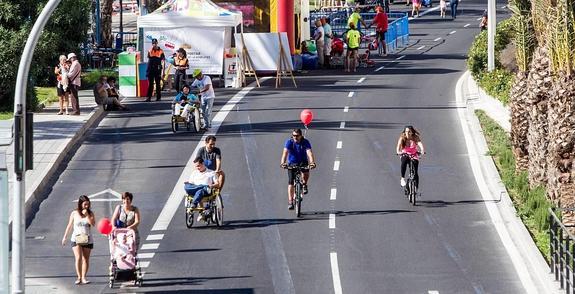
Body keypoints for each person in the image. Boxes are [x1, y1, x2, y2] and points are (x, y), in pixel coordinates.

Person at [61, 195, 95, 285]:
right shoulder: (74, 213)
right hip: (76, 238)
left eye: (88, 204)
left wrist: (87, 215)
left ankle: (84, 277)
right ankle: (79, 277)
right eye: (85, 204)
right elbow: (69, 225)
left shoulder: (90, 213)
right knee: (78, 257)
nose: (87, 206)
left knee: (86, 259)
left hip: (87, 239)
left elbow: (93, 224)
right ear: (80, 204)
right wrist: (65, 237)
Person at [280, 128, 316, 210]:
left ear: (301, 136)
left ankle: (304, 185)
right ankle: (290, 201)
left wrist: (312, 162)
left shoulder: (305, 142)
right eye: (293, 135)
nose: (295, 137)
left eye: (297, 136)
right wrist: (283, 163)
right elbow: (284, 153)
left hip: (303, 161)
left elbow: (309, 153)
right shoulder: (289, 142)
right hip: (292, 163)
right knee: (290, 183)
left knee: (306, 173)